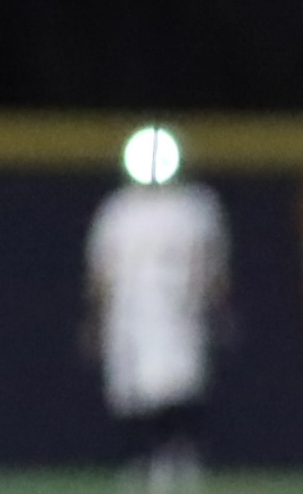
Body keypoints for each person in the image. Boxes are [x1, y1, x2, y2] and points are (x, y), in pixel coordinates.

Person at [83, 127, 232, 490]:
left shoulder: (196, 206)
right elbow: (102, 271)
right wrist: (97, 319)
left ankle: (177, 459)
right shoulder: (118, 210)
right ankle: (142, 461)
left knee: (179, 386)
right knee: (131, 392)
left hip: (179, 307)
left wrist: (216, 308)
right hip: (130, 310)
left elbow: (211, 265)